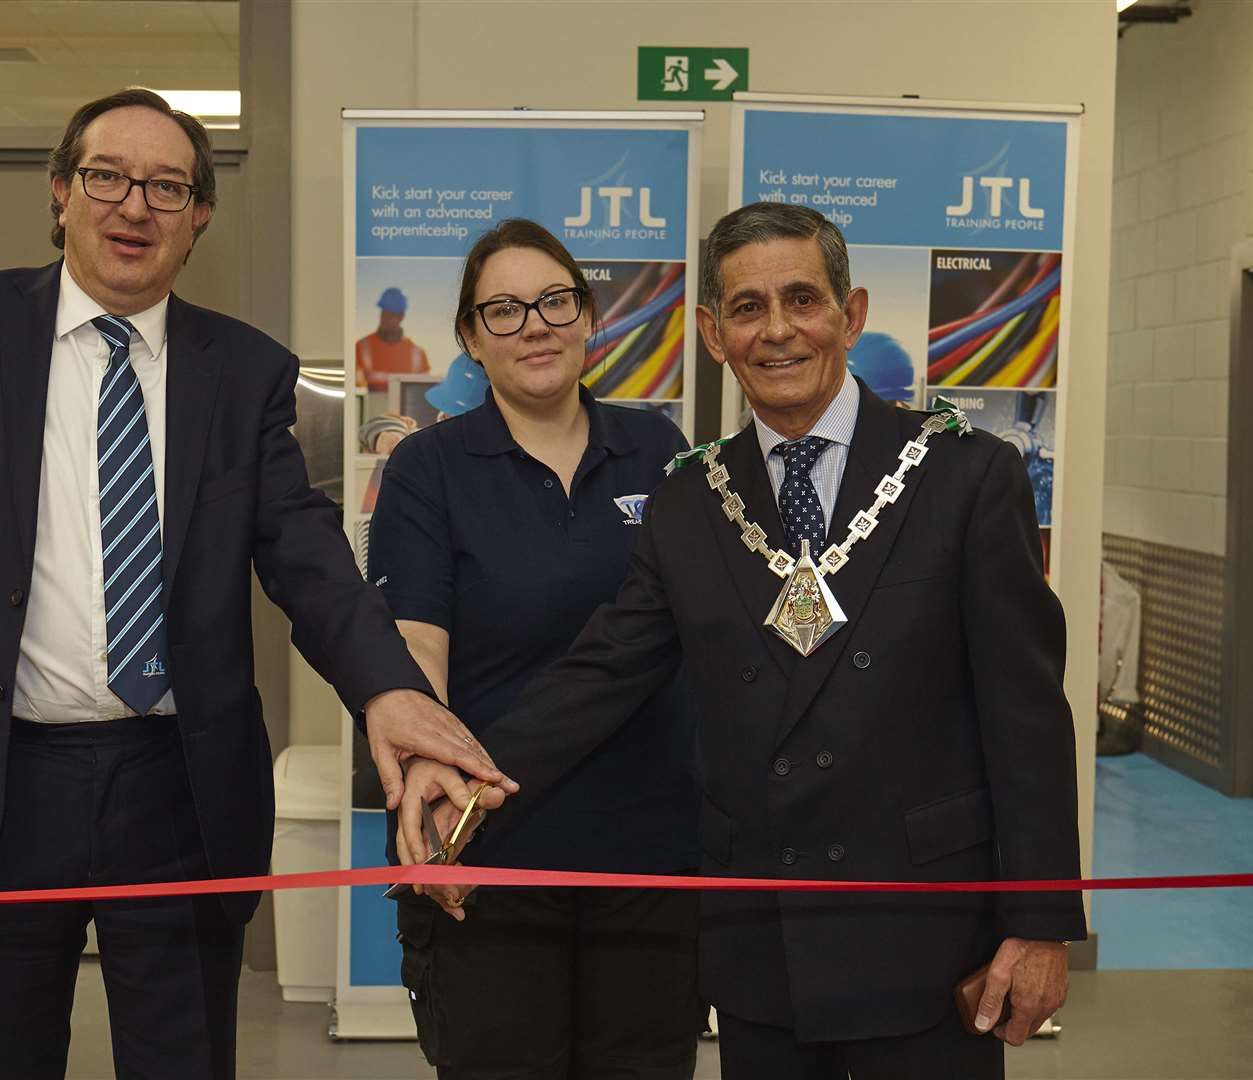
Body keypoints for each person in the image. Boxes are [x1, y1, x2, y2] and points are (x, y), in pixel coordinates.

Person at [0, 87, 512, 1080]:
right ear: (61, 192)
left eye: (167, 187)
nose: (135, 206)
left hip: (178, 789)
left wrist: (390, 692)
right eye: (108, 177)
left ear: (199, 217)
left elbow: (307, 557)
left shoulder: (246, 372)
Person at [401, 203, 1086, 1080]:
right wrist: (464, 785)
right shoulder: (690, 496)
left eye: (802, 299)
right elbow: (604, 673)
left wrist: (1040, 921)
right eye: (749, 309)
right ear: (714, 334)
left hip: (923, 941)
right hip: (764, 954)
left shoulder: (965, 474)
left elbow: (1026, 714)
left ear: (852, 312)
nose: (778, 332)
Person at [369, 218, 705, 1079]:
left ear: (589, 316)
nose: (536, 325)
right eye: (505, 310)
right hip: (489, 853)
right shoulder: (429, 468)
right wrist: (439, 797)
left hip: (650, 856)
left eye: (556, 301)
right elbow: (414, 648)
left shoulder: (660, 451)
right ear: (471, 339)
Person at [356, 285, 431, 391]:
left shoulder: (417, 354)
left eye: (391, 315)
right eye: (384, 314)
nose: (385, 319)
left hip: (404, 408)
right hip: (370, 406)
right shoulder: (361, 347)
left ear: (402, 316)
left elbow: (423, 393)